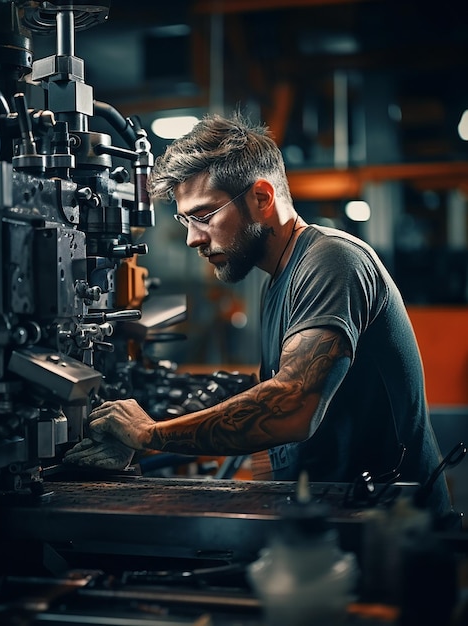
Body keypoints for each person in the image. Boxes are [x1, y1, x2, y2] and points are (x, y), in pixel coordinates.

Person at [64, 112, 457, 524]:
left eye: (203, 216)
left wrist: (149, 433)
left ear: (262, 198)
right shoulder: (279, 280)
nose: (192, 238)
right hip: (333, 523)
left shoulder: (333, 261)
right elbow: (277, 424)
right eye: (185, 220)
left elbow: (291, 406)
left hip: (396, 535)